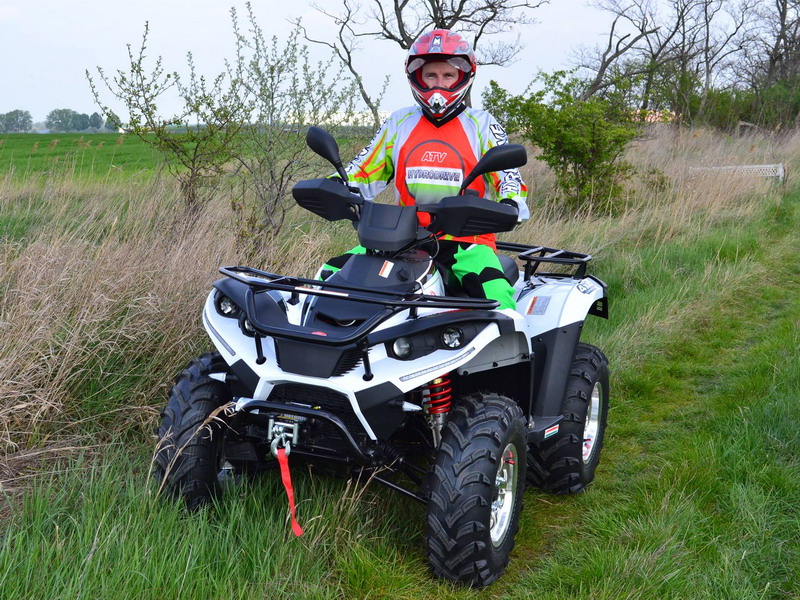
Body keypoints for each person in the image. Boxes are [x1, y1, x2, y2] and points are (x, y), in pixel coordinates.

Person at [324, 29, 528, 310]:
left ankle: (519, 353)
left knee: (497, 300)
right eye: (431, 76)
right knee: (328, 277)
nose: (438, 85)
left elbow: (509, 176)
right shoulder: (399, 122)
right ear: (417, 78)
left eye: (448, 76)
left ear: (463, 77)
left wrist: (511, 201)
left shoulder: (482, 124)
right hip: (399, 238)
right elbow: (364, 168)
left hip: (465, 241)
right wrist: (338, 184)